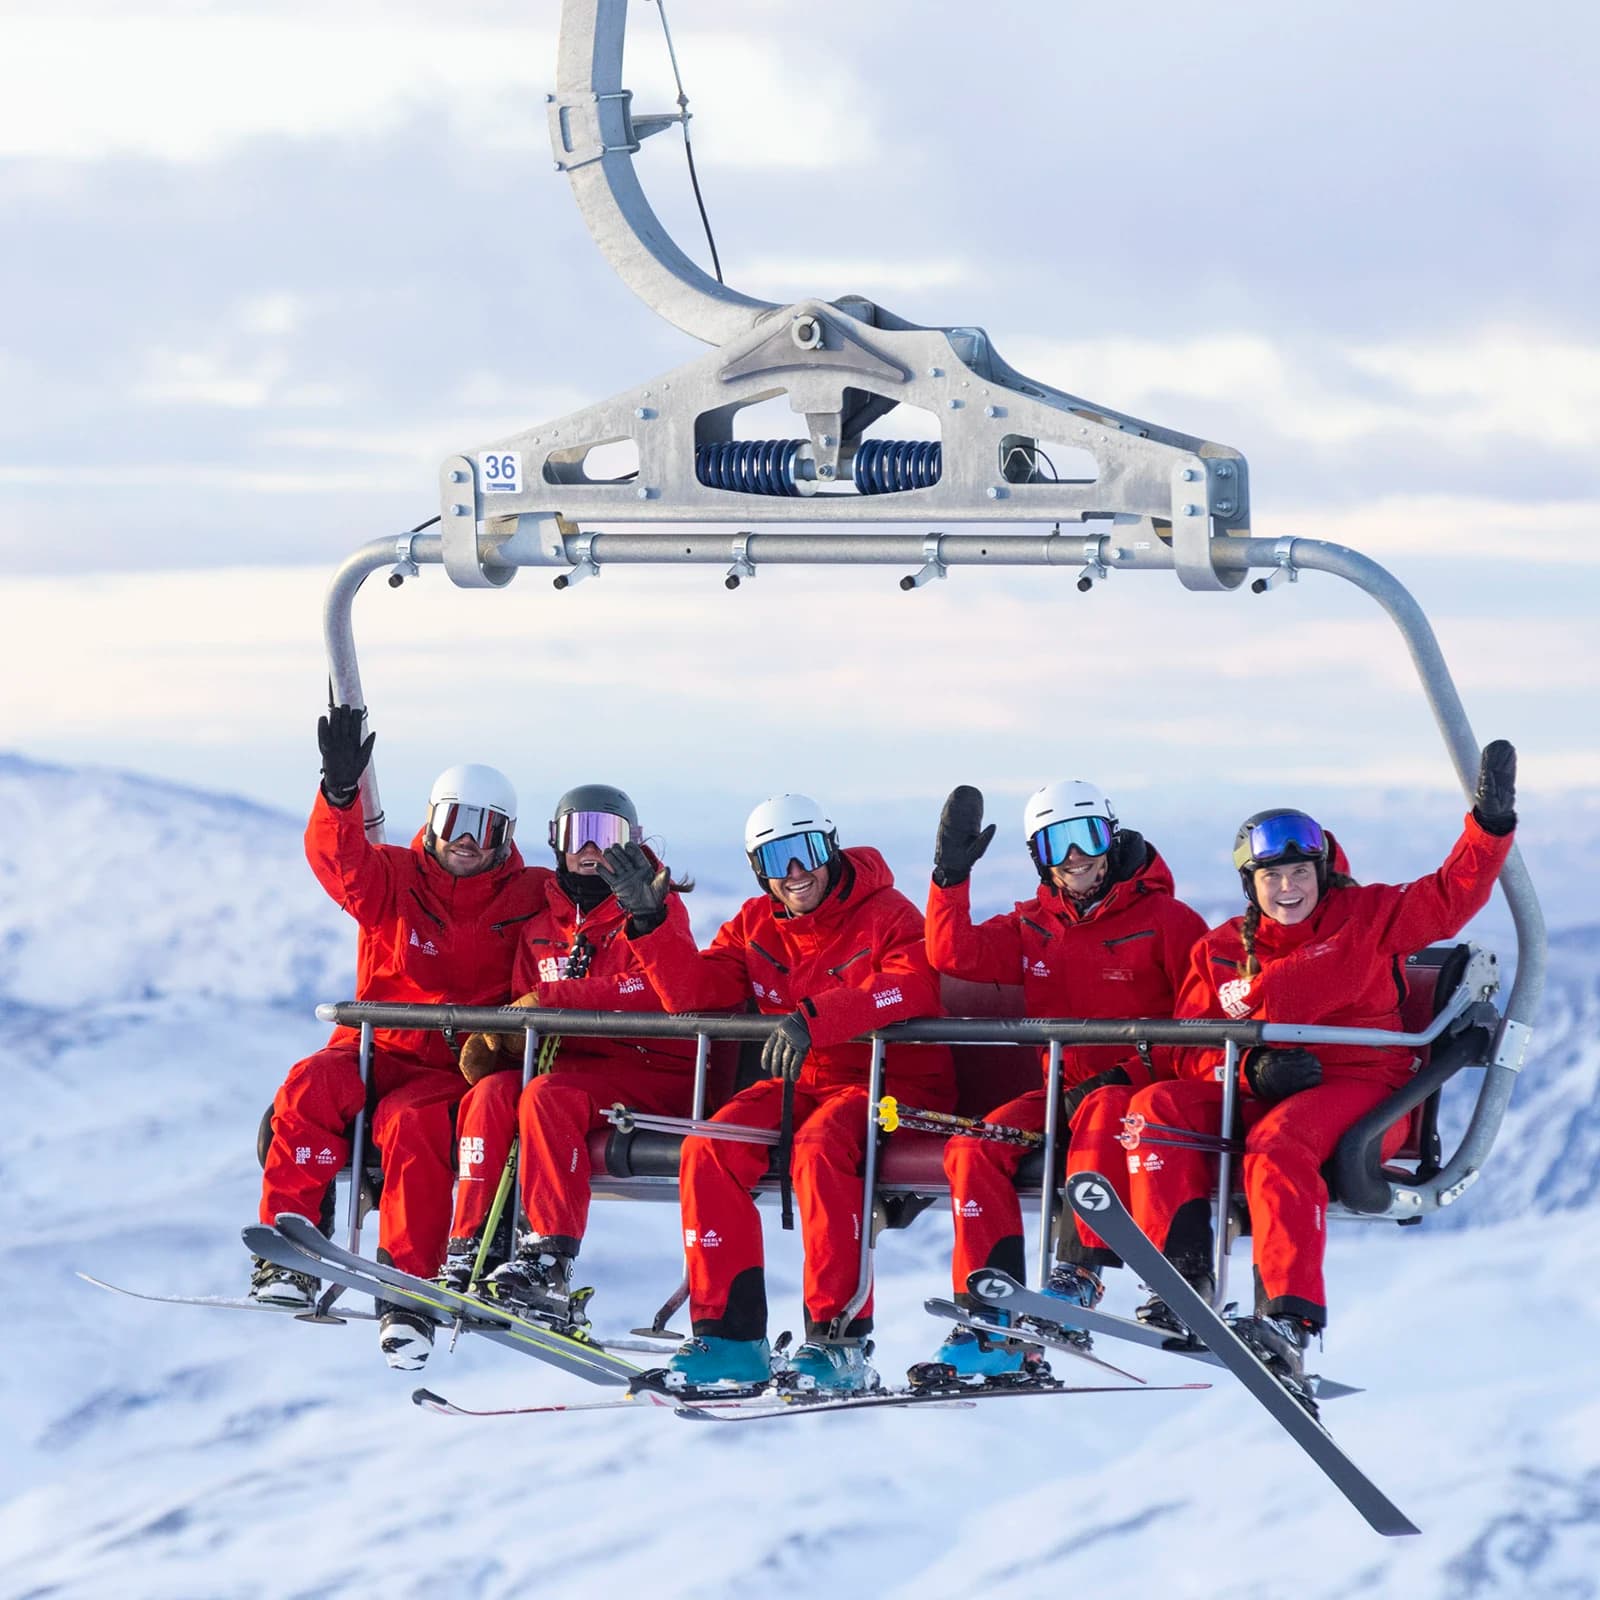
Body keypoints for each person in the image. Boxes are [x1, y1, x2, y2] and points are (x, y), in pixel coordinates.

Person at [1117, 740, 1518, 1410]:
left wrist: (1490, 827)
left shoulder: (1366, 918)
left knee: (1280, 1143)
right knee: (1156, 1107)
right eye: (1271, 877)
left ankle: (1288, 1317)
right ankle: (1180, 1281)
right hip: (1263, 1089)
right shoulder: (1221, 951)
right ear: (1251, 883)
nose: (1288, 889)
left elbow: (1451, 897)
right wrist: (1252, 1074)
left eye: (1300, 872)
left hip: (1365, 1092)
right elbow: (1187, 1047)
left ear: (1321, 871)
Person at [600, 795, 955, 1394]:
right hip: (802, 1081)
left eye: (807, 852)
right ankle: (731, 1339)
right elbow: (694, 993)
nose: (795, 873)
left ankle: (837, 1340)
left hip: (889, 1082)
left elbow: (911, 987)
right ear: (757, 868)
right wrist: (651, 925)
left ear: (831, 848)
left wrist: (819, 1016)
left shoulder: (885, 912)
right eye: (776, 859)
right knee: (707, 1147)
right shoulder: (755, 924)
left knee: (818, 1152)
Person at [250, 705, 548, 1372]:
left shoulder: (529, 894)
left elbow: (589, 914)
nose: (466, 840)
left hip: (452, 1067)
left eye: (485, 826)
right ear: (432, 823)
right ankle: (286, 1251)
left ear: (505, 835)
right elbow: (338, 861)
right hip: (377, 1050)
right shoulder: (395, 877)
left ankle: (406, 1291)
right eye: (454, 823)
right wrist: (338, 793)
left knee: (412, 1128)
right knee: (309, 1086)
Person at [922, 781, 1207, 1376]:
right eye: (1057, 844)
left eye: (1088, 837)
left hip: (1134, 1092)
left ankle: (1079, 1275)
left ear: (1112, 836)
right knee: (975, 1147)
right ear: (1038, 857)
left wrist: (1127, 1072)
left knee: (1103, 1106)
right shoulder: (1034, 927)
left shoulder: (1168, 921)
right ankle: (989, 1311)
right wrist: (950, 879)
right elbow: (954, 954)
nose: (1076, 856)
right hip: (1062, 1093)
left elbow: (1196, 1033)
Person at [437, 784, 697, 1324]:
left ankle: (547, 1262)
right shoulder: (541, 927)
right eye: (580, 834)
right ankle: (471, 1248)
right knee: (491, 1094)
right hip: (569, 1072)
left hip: (648, 1072)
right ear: (556, 841)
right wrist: (499, 1041)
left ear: (632, 843)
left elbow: (659, 991)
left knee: (547, 1097)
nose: (592, 850)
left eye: (607, 836)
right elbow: (522, 1002)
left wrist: (553, 1000)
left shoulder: (654, 909)